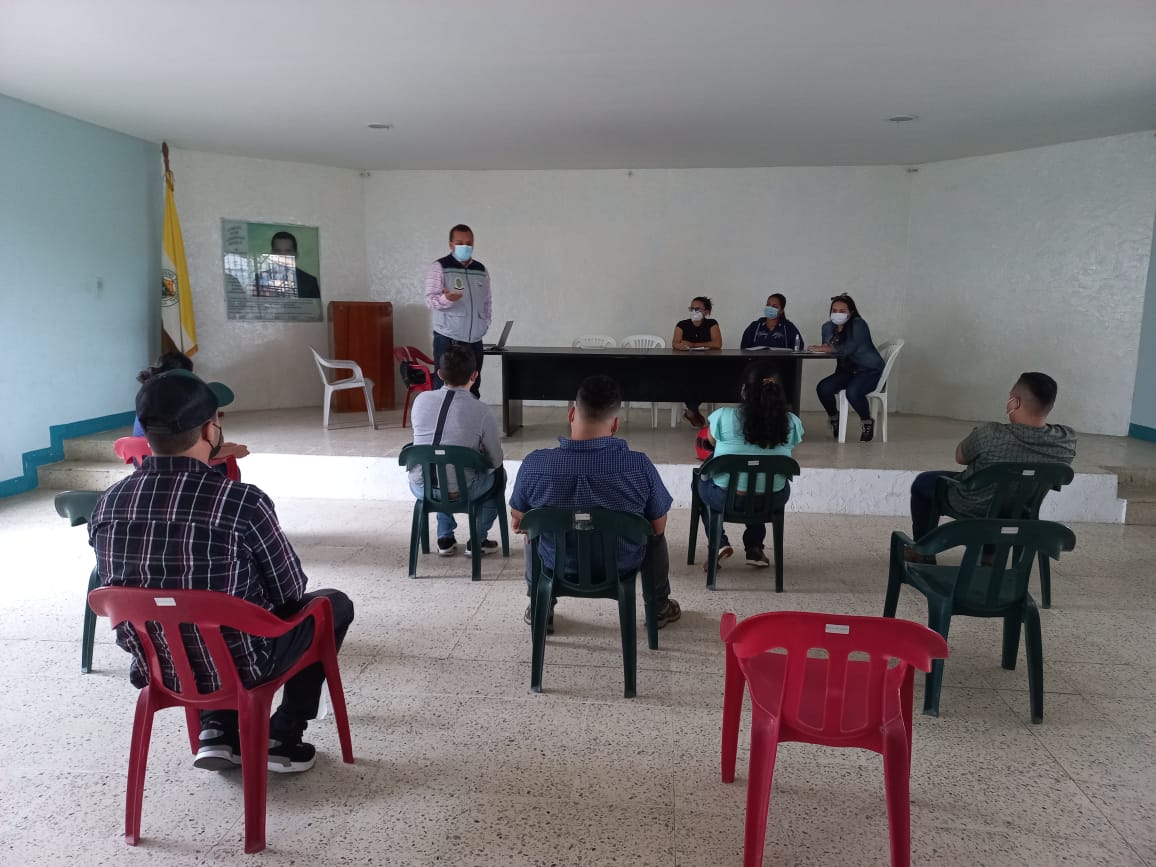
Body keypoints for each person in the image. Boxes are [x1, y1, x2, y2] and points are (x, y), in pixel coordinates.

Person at [89, 370, 354, 774]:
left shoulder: (109, 504)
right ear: (209, 429)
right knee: (331, 605)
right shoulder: (241, 502)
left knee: (192, 614)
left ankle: (217, 730)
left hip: (158, 665)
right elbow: (289, 592)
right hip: (246, 665)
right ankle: (282, 736)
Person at [509, 375, 681, 633]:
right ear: (615, 425)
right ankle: (658, 607)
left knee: (532, 532)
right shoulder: (639, 466)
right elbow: (658, 526)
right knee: (655, 537)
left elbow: (518, 518)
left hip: (556, 565)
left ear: (571, 414)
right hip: (622, 566)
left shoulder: (535, 465)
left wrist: (526, 521)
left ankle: (540, 606)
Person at [906, 372, 1077, 562]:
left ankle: (922, 550)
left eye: (1010, 397)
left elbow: (960, 457)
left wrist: (976, 435)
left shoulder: (991, 434)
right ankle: (990, 555)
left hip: (972, 503)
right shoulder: (1066, 440)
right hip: (1022, 510)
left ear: (1015, 403)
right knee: (1006, 493)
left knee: (924, 482)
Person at [698, 363, 804, 568]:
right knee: (761, 480)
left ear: (744, 390)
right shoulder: (791, 422)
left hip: (725, 498)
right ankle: (754, 548)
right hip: (771, 499)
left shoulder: (723, 416)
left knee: (700, 482)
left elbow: (710, 441)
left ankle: (718, 543)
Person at [408, 344, 505, 557]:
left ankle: (445, 538)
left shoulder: (420, 400)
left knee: (438, 463)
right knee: (500, 475)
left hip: (422, 486)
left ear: (440, 374)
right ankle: (477, 539)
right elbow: (496, 460)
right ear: (475, 375)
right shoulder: (481, 410)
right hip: (464, 489)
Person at [132, 352, 250, 465]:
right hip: (170, 459)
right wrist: (233, 450)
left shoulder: (150, 397)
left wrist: (226, 448)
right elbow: (187, 450)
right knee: (225, 466)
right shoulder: (181, 406)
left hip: (145, 460)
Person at [424, 223, 492, 397]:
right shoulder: (440, 267)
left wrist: (485, 324)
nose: (465, 247)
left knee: (473, 386)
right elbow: (430, 300)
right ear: (451, 244)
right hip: (448, 338)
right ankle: (443, 415)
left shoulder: (480, 270)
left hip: (475, 340)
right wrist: (446, 299)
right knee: (444, 387)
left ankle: (471, 415)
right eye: (460, 243)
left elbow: (487, 301)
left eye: (469, 243)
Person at [810, 293, 885, 442]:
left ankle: (867, 422)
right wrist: (823, 347)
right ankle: (834, 419)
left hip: (869, 370)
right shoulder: (828, 327)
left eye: (842, 311)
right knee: (823, 388)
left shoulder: (859, 324)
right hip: (847, 371)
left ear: (851, 312)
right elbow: (826, 347)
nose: (837, 313)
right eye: (834, 310)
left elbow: (848, 348)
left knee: (853, 392)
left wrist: (828, 348)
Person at [672, 295, 722, 427]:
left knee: (704, 378)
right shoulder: (682, 325)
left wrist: (694, 345)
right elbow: (675, 343)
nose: (694, 311)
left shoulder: (712, 324)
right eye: (692, 308)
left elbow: (717, 344)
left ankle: (691, 411)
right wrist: (681, 346)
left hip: (707, 364)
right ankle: (693, 411)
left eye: (698, 309)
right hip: (685, 364)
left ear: (706, 311)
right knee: (687, 378)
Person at [268, 231, 320, 299]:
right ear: (271, 254)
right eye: (277, 251)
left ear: (296, 255)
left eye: (288, 251)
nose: (282, 256)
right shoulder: (259, 279)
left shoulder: (310, 282)